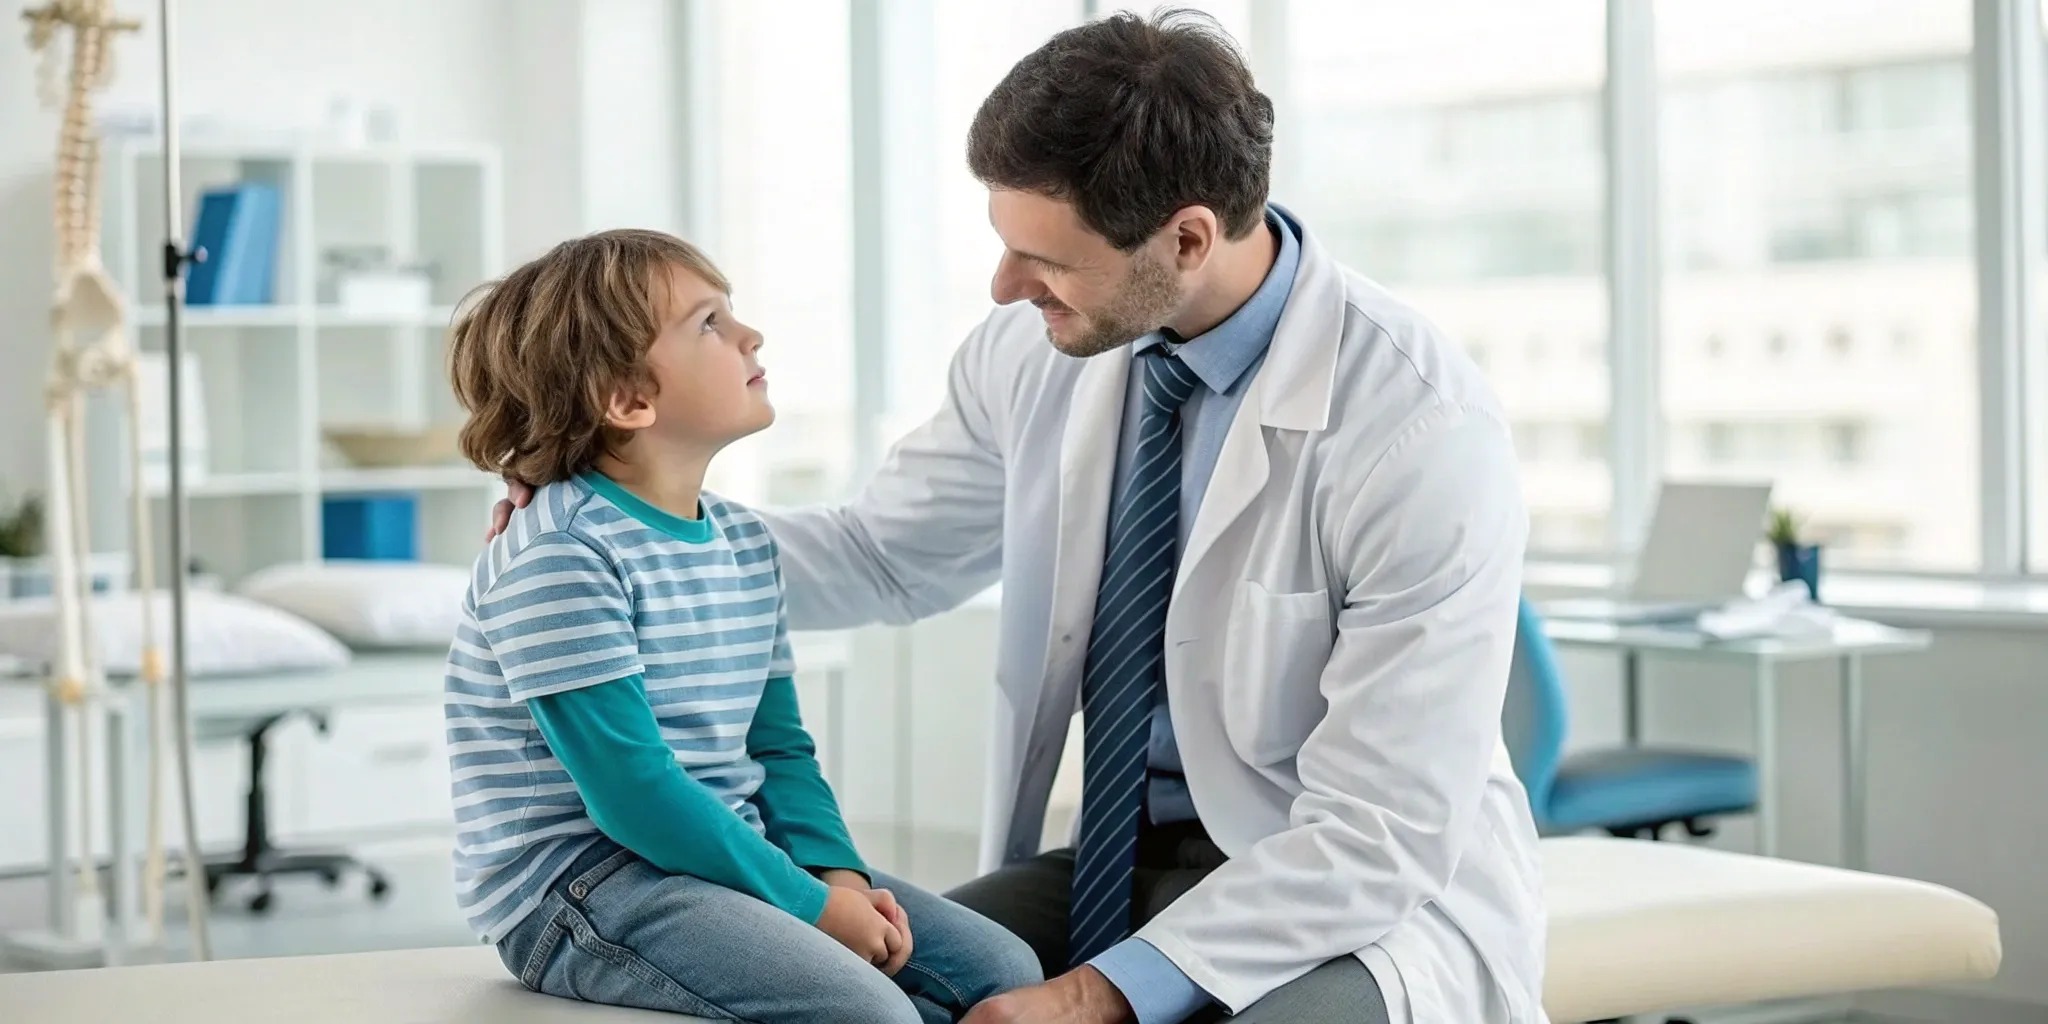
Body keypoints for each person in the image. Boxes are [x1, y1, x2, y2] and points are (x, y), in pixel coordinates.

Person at [495, 12, 1545, 1024]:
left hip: (1345, 890)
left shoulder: (1415, 424)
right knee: (884, 988)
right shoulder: (1036, 349)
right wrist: (632, 525)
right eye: (1002, 242)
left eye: (1042, 257)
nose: (1002, 287)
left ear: (1184, 238)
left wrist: (1097, 992)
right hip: (1112, 860)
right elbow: (881, 556)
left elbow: (1381, 829)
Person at [443, 228, 1042, 1023]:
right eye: (709, 324)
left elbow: (780, 748)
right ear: (628, 400)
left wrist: (839, 878)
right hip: (584, 884)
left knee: (1006, 969)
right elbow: (635, 794)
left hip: (717, 855)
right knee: (872, 1014)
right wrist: (809, 909)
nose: (749, 335)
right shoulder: (562, 556)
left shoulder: (745, 542)